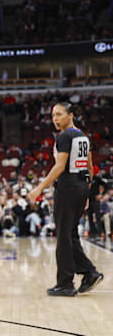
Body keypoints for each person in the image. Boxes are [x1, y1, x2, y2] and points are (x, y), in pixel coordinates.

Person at [28, 102, 104, 296]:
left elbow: (60, 166)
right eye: (53, 115)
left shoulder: (64, 136)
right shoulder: (83, 137)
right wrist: (86, 190)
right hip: (79, 188)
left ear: (70, 115)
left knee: (63, 236)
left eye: (59, 114)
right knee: (70, 235)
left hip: (67, 187)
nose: (55, 118)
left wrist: (39, 187)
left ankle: (65, 283)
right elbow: (89, 168)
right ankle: (89, 273)